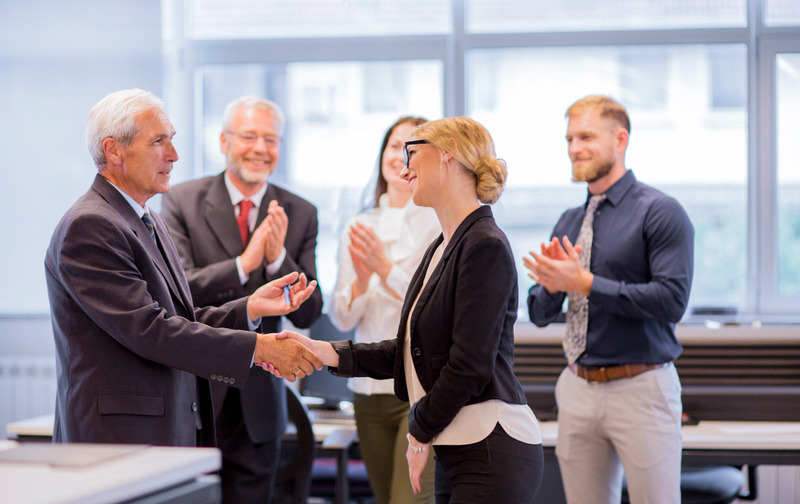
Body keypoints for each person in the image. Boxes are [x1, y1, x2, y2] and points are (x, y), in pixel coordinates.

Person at [279, 116, 545, 504]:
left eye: (412, 154)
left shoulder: (485, 245)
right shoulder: (442, 246)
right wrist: (326, 352)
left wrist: (418, 430)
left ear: (447, 155)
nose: (403, 170)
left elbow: (469, 366)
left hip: (491, 448)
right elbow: (408, 349)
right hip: (457, 447)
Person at [44, 88, 322, 450]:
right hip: (116, 442)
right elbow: (150, 330)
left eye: (171, 140)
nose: (173, 155)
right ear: (113, 150)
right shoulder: (91, 226)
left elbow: (179, 316)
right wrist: (258, 348)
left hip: (158, 433)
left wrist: (249, 308)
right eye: (158, 141)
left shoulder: (148, 219)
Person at [524, 95, 694, 504]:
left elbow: (671, 300)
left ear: (621, 139)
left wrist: (585, 283)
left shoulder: (661, 211)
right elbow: (538, 313)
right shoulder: (569, 219)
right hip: (577, 387)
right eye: (568, 139)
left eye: (585, 136)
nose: (574, 148)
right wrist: (551, 286)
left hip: (642, 387)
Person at [161, 96, 323, 504]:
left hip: (259, 402)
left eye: (271, 139)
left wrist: (276, 262)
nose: (260, 148)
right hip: (196, 394)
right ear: (223, 141)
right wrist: (244, 263)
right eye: (249, 136)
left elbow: (309, 313)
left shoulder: (300, 211)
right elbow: (177, 294)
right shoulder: (181, 200)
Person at [329, 116, 440, 504]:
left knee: (408, 500)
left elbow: (430, 308)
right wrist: (361, 280)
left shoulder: (438, 222)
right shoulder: (359, 225)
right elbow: (342, 318)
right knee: (383, 497)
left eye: (413, 147)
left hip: (418, 389)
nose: (401, 156)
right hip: (366, 390)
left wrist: (383, 267)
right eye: (394, 145)